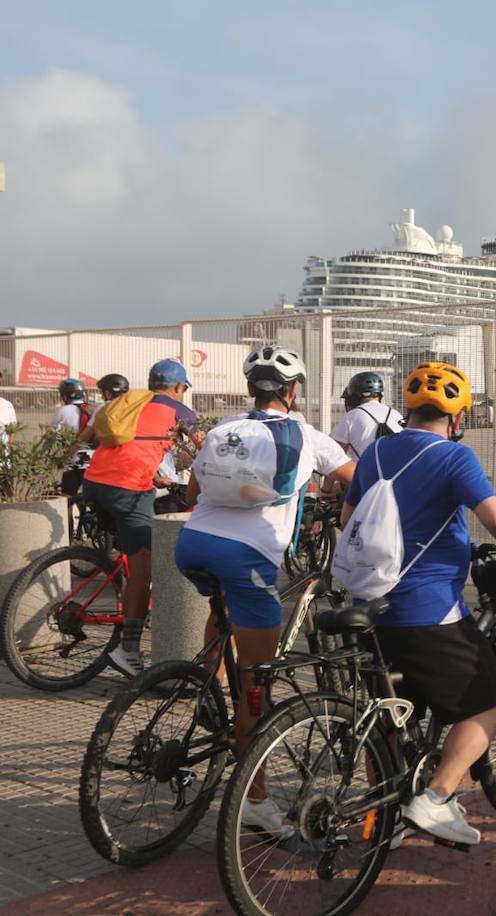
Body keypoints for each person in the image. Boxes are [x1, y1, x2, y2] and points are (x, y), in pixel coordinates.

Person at [341, 361, 496, 845]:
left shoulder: (376, 453)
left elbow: (349, 516)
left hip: (369, 604)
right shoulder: (453, 456)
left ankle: (384, 818)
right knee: (488, 700)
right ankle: (436, 798)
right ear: (458, 418)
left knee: (392, 711)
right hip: (425, 609)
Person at [175, 345, 355, 834]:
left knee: (226, 613)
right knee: (259, 682)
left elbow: (191, 495)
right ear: (293, 391)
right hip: (248, 557)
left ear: (251, 388)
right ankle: (253, 798)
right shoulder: (310, 436)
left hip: (191, 545)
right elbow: (355, 482)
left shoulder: (224, 430)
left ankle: (206, 690)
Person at [83, 360, 199, 677]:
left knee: (132, 556)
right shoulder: (180, 412)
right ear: (178, 388)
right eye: (183, 389)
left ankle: (122, 589)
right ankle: (128, 650)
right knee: (143, 570)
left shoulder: (131, 402)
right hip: (128, 490)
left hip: (94, 481)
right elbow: (202, 454)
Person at [330, 370, 404, 459]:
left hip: (365, 472)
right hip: (397, 471)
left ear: (354, 396)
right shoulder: (396, 415)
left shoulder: (351, 416)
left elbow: (334, 456)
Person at [77, 374, 131, 445]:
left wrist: (68, 451)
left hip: (110, 452)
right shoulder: (134, 406)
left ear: (108, 394)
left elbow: (85, 435)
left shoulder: (104, 407)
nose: (102, 397)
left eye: (102, 393)